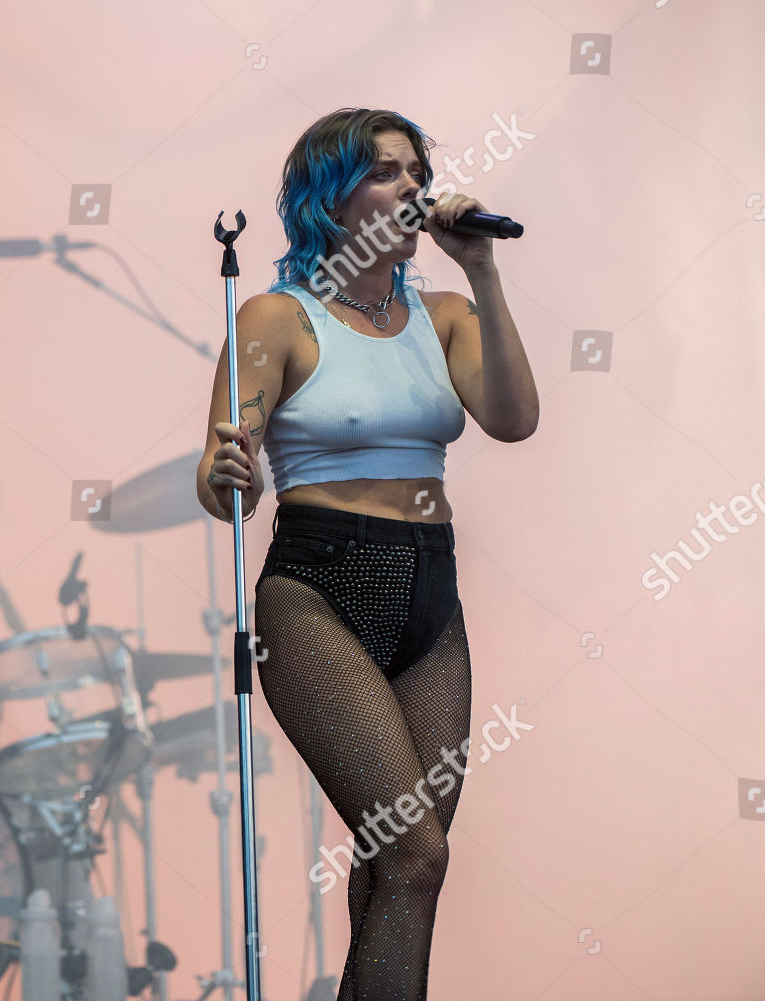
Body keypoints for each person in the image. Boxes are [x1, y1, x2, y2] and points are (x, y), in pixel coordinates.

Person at [196, 108, 538, 1000]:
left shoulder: (449, 313)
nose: (411, 187)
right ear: (331, 197)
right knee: (414, 850)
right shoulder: (279, 318)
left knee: (398, 867)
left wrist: (483, 270)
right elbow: (220, 470)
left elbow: (514, 419)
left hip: (430, 588)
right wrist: (229, 467)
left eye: (416, 172)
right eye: (386, 172)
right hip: (317, 588)